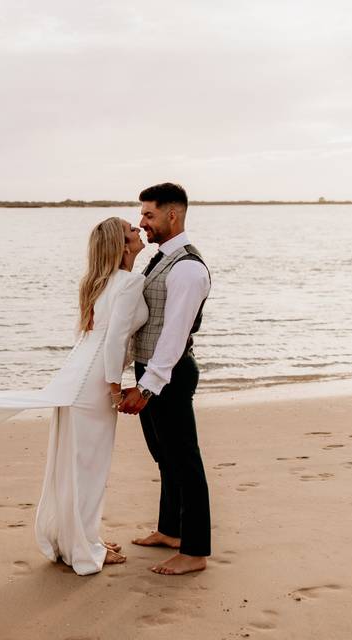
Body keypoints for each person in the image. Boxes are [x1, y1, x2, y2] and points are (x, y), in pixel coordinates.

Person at [33, 217, 148, 575]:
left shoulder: (98, 282)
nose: (139, 231)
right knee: (89, 469)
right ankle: (84, 547)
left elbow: (90, 338)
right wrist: (114, 387)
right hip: (95, 383)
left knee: (74, 467)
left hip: (77, 377)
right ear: (122, 245)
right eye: (132, 230)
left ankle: (77, 538)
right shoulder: (129, 282)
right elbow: (114, 341)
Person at [118, 182, 212, 575]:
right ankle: (170, 530)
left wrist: (147, 386)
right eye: (141, 214)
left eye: (149, 214)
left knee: (185, 460)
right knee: (165, 457)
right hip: (154, 371)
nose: (143, 222)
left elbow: (173, 335)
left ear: (173, 214)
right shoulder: (161, 258)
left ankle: (194, 551)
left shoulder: (188, 268)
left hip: (169, 374)